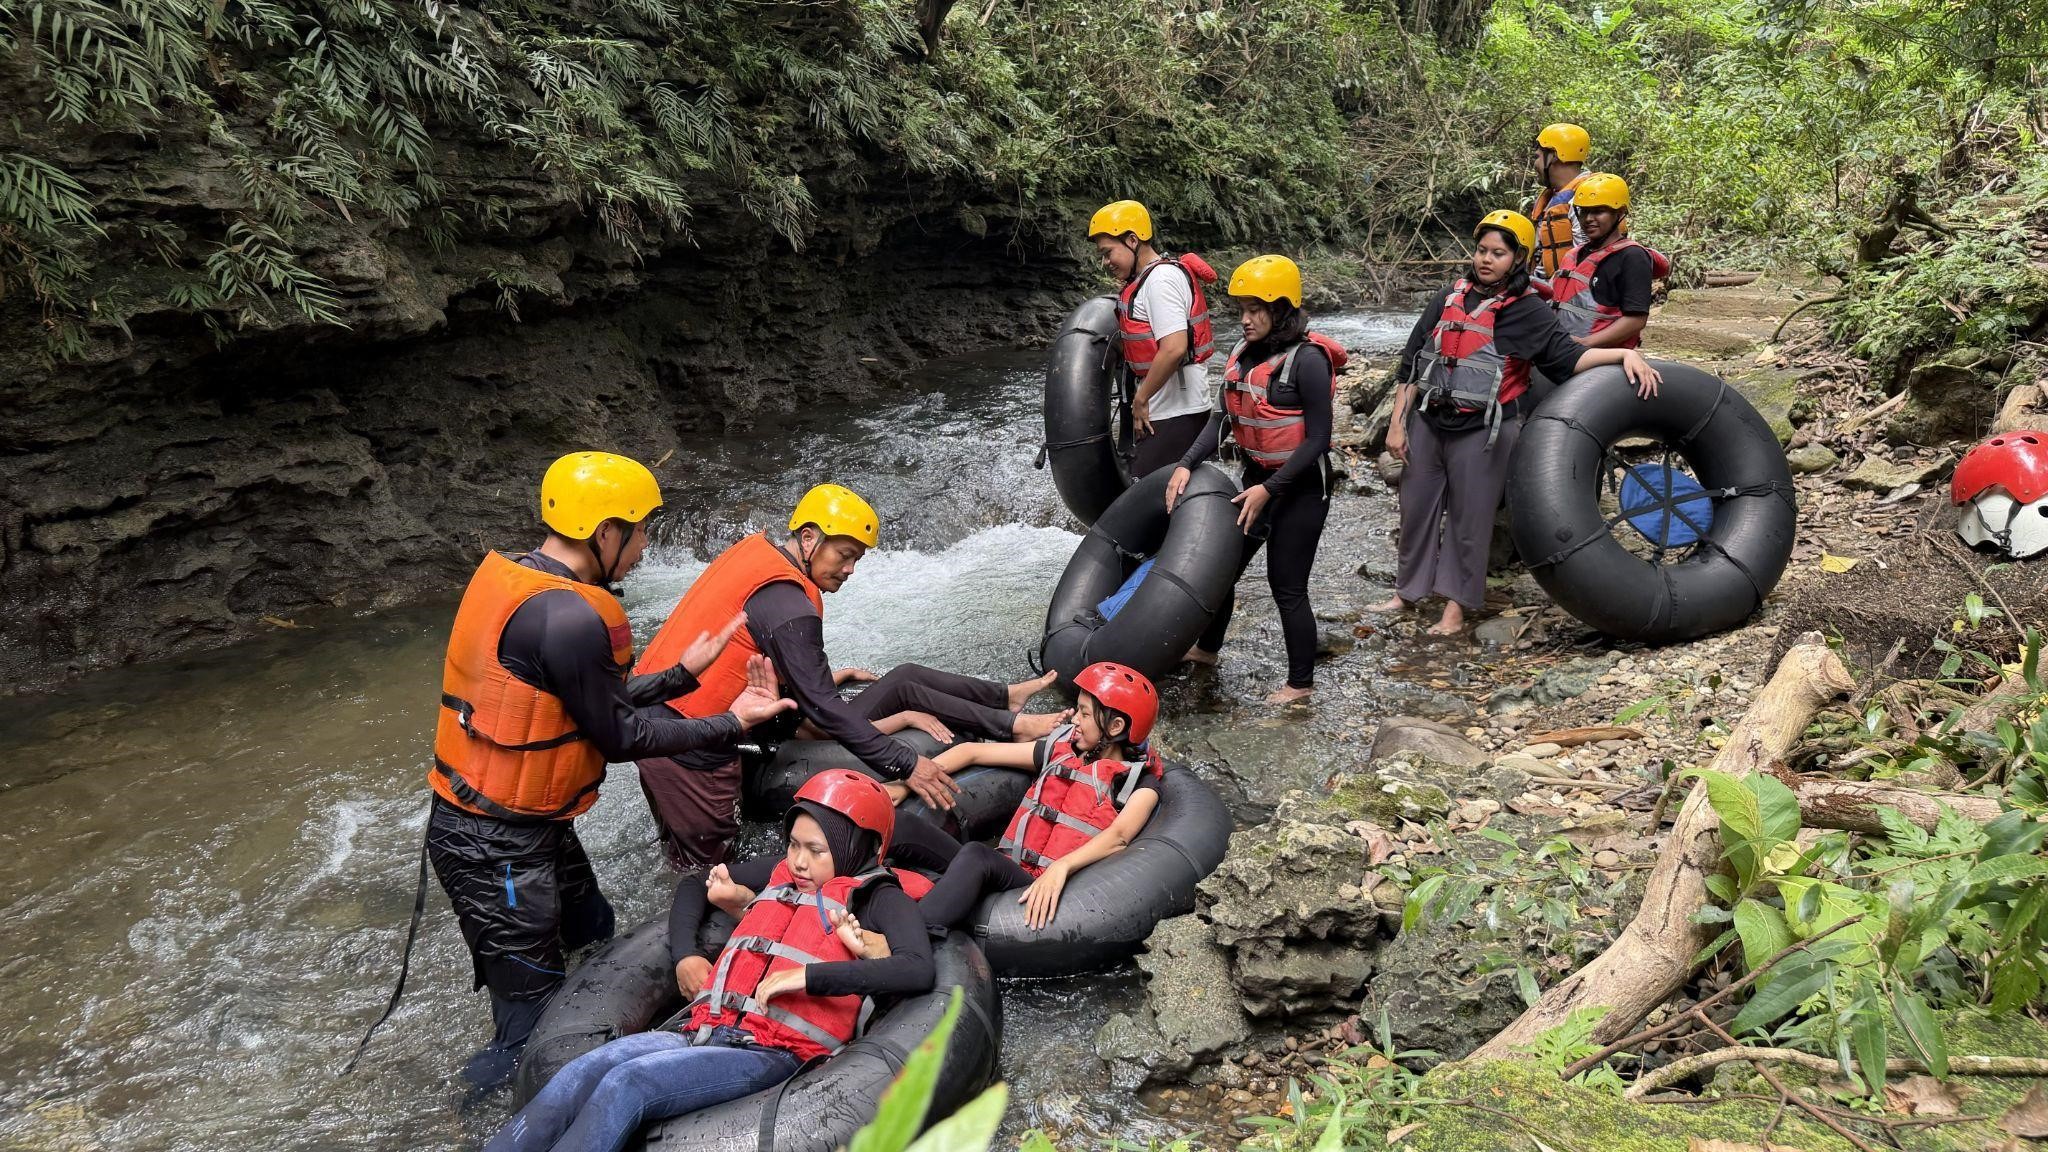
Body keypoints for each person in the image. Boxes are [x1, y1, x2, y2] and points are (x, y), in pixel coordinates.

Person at [424, 452, 797, 1092]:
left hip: (530, 825)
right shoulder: (567, 617)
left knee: (593, 928)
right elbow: (622, 734)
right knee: (528, 1022)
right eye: (643, 529)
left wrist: (684, 674)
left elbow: (594, 701)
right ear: (606, 532)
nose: (646, 546)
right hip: (493, 846)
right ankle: (485, 1109)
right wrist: (730, 723)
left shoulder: (532, 584)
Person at [489, 770, 933, 1152]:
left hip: (775, 1052)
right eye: (794, 844)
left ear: (859, 846)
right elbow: (692, 886)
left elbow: (917, 968)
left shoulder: (880, 898)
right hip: (706, 1028)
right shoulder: (782, 876)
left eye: (816, 850)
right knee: (581, 1071)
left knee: (629, 1084)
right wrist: (685, 956)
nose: (798, 861)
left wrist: (809, 976)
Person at [633, 485, 1058, 871]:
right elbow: (822, 707)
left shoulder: (758, 554)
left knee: (694, 848)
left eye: (857, 558)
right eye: (845, 554)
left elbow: (787, 677)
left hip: (677, 719)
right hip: (687, 744)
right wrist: (906, 763)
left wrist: (834, 681)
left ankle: (1008, 709)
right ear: (808, 538)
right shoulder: (787, 604)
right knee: (710, 866)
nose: (851, 569)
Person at [1371, 211, 1664, 636]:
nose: (1486, 260)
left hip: (1486, 430)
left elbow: (1568, 359)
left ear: (1519, 258)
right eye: (1482, 250)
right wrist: (1397, 424)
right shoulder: (1448, 297)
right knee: (1415, 508)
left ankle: (1455, 607)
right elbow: (1412, 362)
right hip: (1430, 422)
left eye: (1499, 253)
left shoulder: (1527, 310)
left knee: (1469, 520)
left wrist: (1623, 353)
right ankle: (1407, 592)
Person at [1165, 255, 1348, 704]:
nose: (1245, 320)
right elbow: (1221, 418)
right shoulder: (1241, 356)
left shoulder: (1307, 361)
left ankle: (1300, 685)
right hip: (1256, 482)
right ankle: (1208, 649)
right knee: (1222, 570)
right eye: (1241, 310)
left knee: (1286, 586)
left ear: (1281, 309)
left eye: (1255, 310)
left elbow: (1318, 440)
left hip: (1300, 487)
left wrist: (1269, 491)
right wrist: (1186, 462)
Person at [905, 662, 1164, 933]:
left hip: (1034, 882)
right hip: (1008, 866)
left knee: (976, 855)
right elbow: (972, 751)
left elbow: (1120, 836)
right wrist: (905, 784)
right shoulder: (1061, 752)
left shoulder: (1137, 783)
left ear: (1115, 726)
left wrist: (1061, 867)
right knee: (905, 824)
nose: (1074, 719)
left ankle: (907, 941)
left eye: (1085, 714)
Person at [1088, 199, 1220, 478]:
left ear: (1132, 240)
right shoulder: (1146, 280)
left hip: (1178, 411)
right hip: (1170, 409)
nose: (1105, 262)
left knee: (1153, 493)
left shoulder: (1161, 281)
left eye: (1108, 252)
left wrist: (1141, 399)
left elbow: (1174, 348)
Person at [1546, 173, 1659, 350]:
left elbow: (1636, 319)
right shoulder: (1575, 254)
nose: (1589, 219)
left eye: (1598, 211)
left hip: (1599, 355)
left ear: (1619, 213)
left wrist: (1585, 344)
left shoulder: (1633, 256)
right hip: (1562, 352)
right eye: (1584, 211)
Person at [1531, 123, 1592, 280]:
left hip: (1568, 294)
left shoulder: (1585, 199)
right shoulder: (1551, 198)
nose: (1534, 164)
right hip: (1543, 289)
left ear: (1554, 155)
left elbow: (1587, 262)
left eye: (1537, 157)